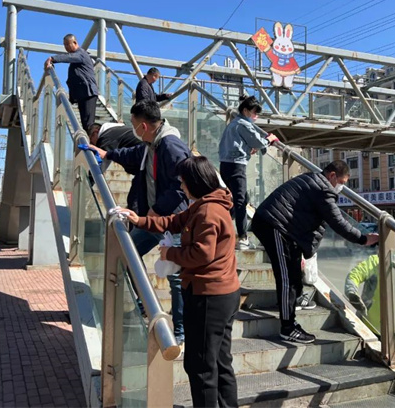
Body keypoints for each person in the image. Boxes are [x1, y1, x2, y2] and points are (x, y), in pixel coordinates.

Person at [119, 156, 239, 408]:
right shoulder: (207, 205)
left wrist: (169, 254)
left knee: (200, 365)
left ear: (195, 182)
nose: (182, 187)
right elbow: (173, 222)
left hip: (208, 296)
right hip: (222, 294)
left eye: (183, 182)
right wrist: (139, 220)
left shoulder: (207, 211)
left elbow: (202, 254)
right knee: (219, 361)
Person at [251, 160, 379, 344]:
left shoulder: (314, 181)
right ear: (332, 175)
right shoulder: (323, 189)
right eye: (341, 182)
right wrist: (363, 239)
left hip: (282, 227)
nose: (341, 188)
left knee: (293, 272)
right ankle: (288, 327)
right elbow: (338, 222)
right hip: (273, 224)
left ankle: (291, 306)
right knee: (287, 276)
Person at [102, 100, 191, 343]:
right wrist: (107, 153)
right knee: (127, 251)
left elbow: (182, 187)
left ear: (143, 126)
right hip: (155, 220)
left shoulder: (170, 146)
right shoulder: (152, 144)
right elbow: (133, 154)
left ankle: (181, 332)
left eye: (133, 124)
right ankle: (144, 303)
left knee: (176, 276)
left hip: (173, 221)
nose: (132, 129)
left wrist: (156, 210)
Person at [218, 95, 278, 249]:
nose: (256, 116)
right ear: (245, 111)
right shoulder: (243, 124)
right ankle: (242, 237)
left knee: (242, 199)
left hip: (225, 165)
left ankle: (222, 228)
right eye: (254, 112)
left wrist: (248, 147)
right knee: (240, 202)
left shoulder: (233, 124)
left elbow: (239, 144)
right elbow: (257, 141)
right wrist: (269, 139)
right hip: (236, 166)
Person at [344, 243, 395, 358]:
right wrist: (351, 292)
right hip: (368, 326)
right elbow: (355, 274)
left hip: (393, 335)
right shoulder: (378, 263)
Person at [44, 34, 99, 133]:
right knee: (85, 123)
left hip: (88, 93)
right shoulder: (76, 57)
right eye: (64, 45)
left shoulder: (81, 54)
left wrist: (52, 58)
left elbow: (69, 57)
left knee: (88, 124)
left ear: (75, 43)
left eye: (67, 44)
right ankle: (89, 140)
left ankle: (93, 142)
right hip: (83, 94)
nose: (66, 47)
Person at [88, 122, 143, 213]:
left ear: (95, 131)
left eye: (91, 140)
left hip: (145, 166)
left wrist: (88, 181)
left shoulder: (106, 137)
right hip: (145, 164)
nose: (93, 143)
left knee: (135, 203)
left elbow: (100, 163)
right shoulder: (120, 130)